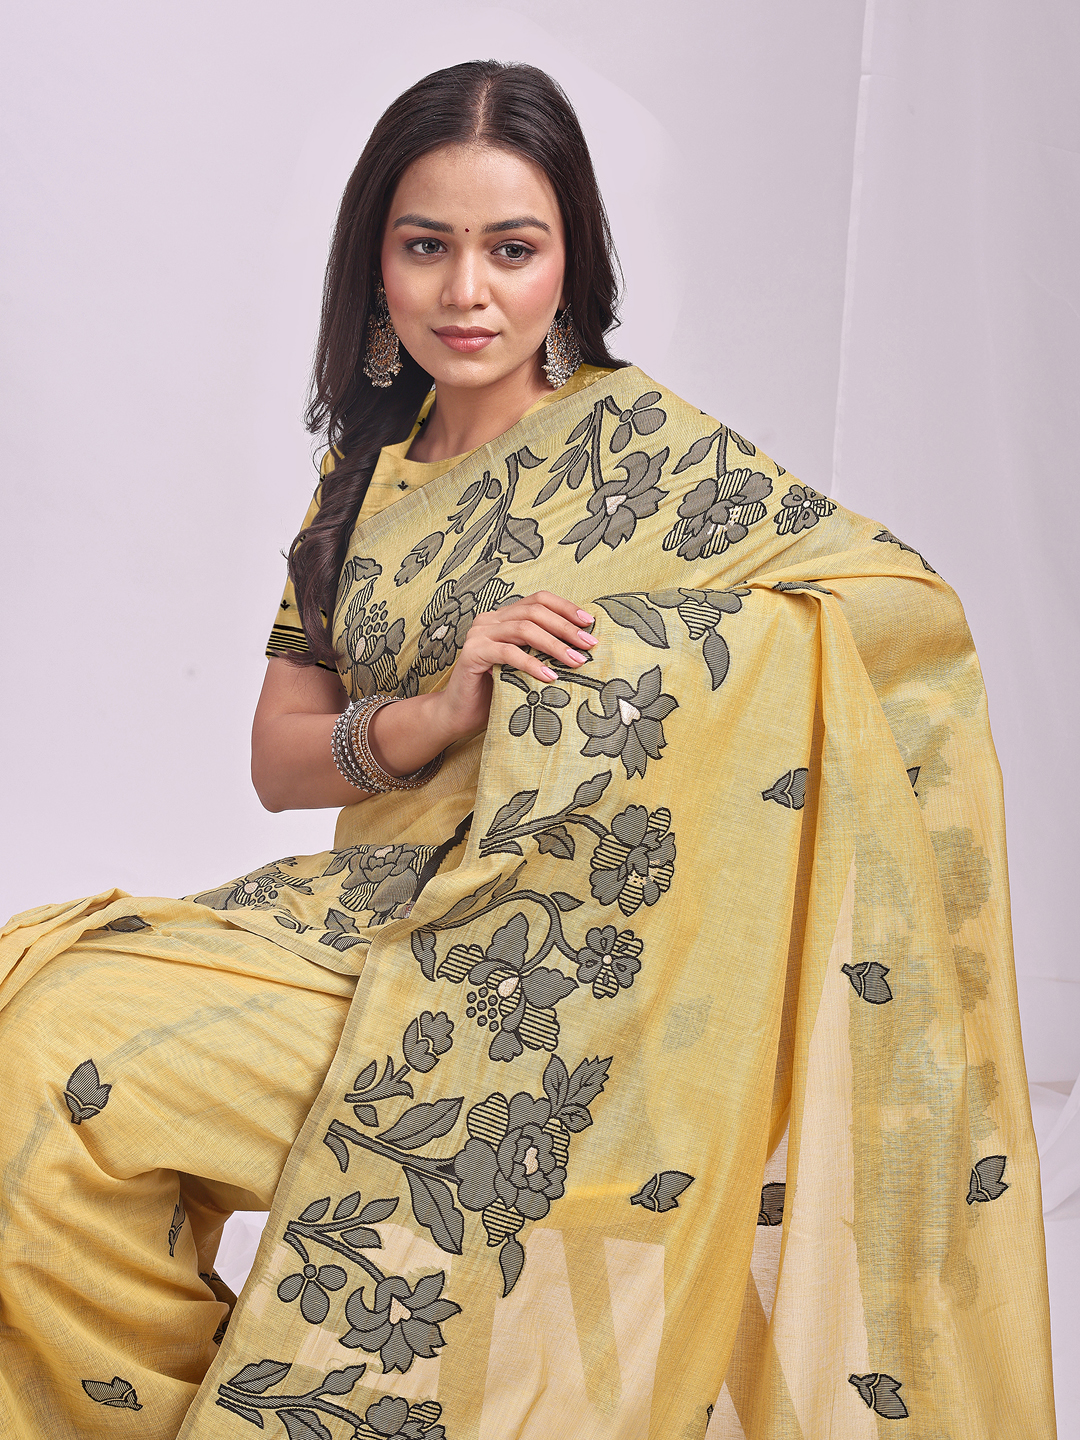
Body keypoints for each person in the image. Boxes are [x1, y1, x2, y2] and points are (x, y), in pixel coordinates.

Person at [0, 60, 1057, 1440]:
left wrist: (626, 654)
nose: (466, 292)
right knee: (33, 1033)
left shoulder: (645, 453)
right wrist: (440, 713)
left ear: (573, 264)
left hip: (552, 984)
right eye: (424, 246)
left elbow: (897, 615)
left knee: (55, 1051)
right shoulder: (361, 473)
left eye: (512, 248)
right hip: (362, 925)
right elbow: (279, 760)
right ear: (374, 262)